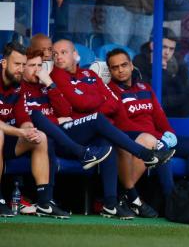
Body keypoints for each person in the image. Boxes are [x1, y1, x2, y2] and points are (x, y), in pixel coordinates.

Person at [17, 47, 173, 218]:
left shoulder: (46, 86)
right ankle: (145, 156)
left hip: (67, 131)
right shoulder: (22, 89)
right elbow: (29, 118)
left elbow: (65, 109)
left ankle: (111, 203)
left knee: (106, 142)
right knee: (97, 119)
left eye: (40, 65)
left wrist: (49, 84)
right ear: (22, 67)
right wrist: (57, 120)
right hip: (48, 137)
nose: (37, 70)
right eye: (31, 65)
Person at [107, 48, 189, 210]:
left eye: (124, 65)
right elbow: (123, 124)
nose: (120, 70)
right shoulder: (110, 91)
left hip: (155, 137)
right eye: (115, 67)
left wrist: (169, 135)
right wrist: (160, 141)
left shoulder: (144, 87)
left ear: (131, 66)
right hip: (133, 140)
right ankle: (171, 203)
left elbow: (160, 118)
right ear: (110, 70)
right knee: (161, 151)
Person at [0, 42, 69, 218]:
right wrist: (20, 132)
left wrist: (29, 130)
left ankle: (45, 201)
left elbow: (23, 118)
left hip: (8, 140)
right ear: (4, 63)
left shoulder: (18, 85)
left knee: (40, 137)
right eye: (17, 64)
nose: (21, 69)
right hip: (3, 135)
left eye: (24, 65)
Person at [133, 28, 189, 117]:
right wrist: (154, 68)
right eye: (164, 47)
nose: (167, 53)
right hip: (149, 115)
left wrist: (165, 101)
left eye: (171, 49)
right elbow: (144, 95)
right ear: (152, 46)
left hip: (177, 114)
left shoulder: (179, 62)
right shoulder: (139, 61)